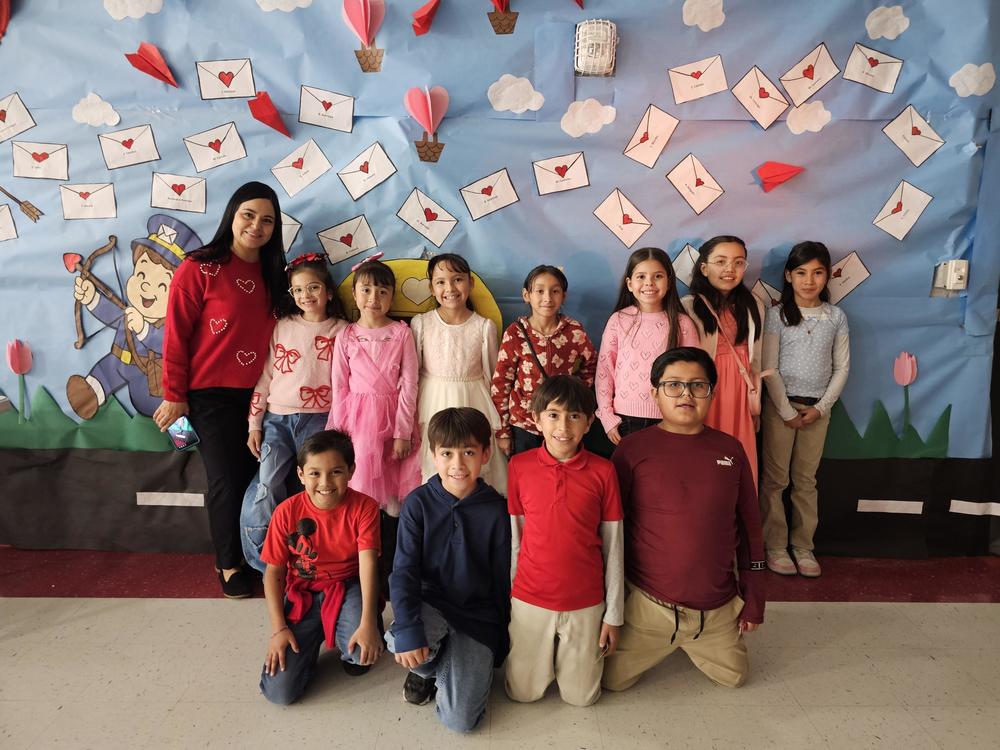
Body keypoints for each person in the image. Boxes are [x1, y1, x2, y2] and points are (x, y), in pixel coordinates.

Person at [604, 347, 766, 691]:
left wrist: (754, 599)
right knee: (611, 681)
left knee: (735, 678)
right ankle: (662, 640)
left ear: (712, 392)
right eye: (673, 385)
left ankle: (695, 641)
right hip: (649, 605)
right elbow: (612, 533)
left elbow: (750, 528)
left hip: (715, 608)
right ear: (655, 394)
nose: (686, 395)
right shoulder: (632, 450)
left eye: (697, 385)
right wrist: (611, 609)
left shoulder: (731, 450)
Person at [154, 181, 287, 599]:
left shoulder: (275, 276)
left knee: (257, 480)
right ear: (232, 214)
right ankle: (228, 562)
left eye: (267, 220)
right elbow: (176, 335)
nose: (256, 226)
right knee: (226, 480)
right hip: (208, 394)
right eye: (249, 214)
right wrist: (175, 394)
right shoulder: (198, 267)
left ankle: (258, 557)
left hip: (260, 397)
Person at [385, 407, 511, 733]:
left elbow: (502, 579)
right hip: (432, 607)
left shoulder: (497, 510)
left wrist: (502, 637)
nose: (457, 464)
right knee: (398, 637)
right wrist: (411, 630)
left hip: (476, 618)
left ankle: (444, 664)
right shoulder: (417, 504)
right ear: (433, 455)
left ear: (485, 454)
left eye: (468, 452)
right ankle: (426, 668)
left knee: (462, 721)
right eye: (447, 453)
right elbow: (404, 571)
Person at [505, 375, 624, 706]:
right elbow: (517, 537)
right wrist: (513, 597)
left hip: (585, 600)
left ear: (588, 423)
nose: (564, 426)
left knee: (582, 698)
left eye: (574, 416)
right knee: (522, 694)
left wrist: (613, 614)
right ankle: (542, 659)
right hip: (530, 598)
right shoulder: (518, 467)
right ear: (537, 419)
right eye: (554, 414)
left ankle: (568, 661)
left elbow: (614, 546)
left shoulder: (603, 472)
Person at [240, 252, 348, 573]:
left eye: (313, 288)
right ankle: (263, 562)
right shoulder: (283, 326)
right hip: (277, 418)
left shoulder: (343, 331)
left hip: (320, 420)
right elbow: (266, 376)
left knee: (313, 488)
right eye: (298, 290)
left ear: (328, 291)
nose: (305, 296)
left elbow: (345, 384)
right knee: (268, 483)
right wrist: (254, 423)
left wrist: (338, 425)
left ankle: (310, 556)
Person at [258, 430, 383, 705]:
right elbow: (274, 573)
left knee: (360, 654)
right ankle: (308, 647)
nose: (325, 482)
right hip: (303, 592)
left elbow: (368, 563)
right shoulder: (286, 512)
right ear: (301, 474)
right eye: (314, 473)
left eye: (336, 471)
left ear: (351, 471)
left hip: (347, 586)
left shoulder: (365, 507)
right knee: (280, 693)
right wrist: (279, 629)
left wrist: (367, 623)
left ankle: (360, 621)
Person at [326, 256, 420, 597]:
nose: (374, 298)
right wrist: (339, 435)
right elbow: (339, 386)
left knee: (394, 500)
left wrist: (402, 431)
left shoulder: (401, 333)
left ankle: (394, 572)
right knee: (362, 496)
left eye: (382, 291)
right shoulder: (346, 336)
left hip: (393, 419)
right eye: (366, 290)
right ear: (355, 293)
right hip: (357, 424)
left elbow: (409, 384)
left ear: (392, 296)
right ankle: (359, 570)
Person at [760, 242, 850, 578]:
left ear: (827, 276)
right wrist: (786, 411)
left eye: (817, 272)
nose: (809, 280)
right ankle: (775, 545)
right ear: (788, 275)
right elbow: (769, 368)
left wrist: (822, 408)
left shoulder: (835, 316)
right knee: (775, 480)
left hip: (818, 412)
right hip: (781, 409)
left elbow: (842, 368)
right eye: (801, 273)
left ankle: (803, 546)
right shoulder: (777, 315)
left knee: (805, 480)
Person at [410, 253, 506, 493]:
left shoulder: (484, 327)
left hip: (474, 401)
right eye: (441, 281)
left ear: (470, 283)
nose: (450, 288)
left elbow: (493, 376)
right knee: (434, 466)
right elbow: (412, 373)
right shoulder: (421, 323)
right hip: (431, 403)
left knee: (472, 466)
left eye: (457, 279)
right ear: (431, 287)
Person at [681, 236, 765, 485]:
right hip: (705, 391)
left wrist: (755, 404)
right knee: (704, 458)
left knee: (740, 459)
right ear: (704, 268)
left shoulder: (754, 306)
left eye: (738, 262)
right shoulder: (689, 306)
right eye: (721, 261)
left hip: (741, 394)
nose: (730, 269)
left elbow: (756, 357)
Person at [596, 247, 701, 444]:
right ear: (629, 283)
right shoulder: (618, 320)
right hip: (624, 419)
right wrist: (607, 415)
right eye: (641, 276)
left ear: (669, 282)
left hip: (671, 417)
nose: (649, 283)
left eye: (658, 276)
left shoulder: (682, 323)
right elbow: (604, 371)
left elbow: (695, 374)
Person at [491, 265, 597, 457]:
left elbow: (591, 366)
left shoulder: (575, 331)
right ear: (526, 295)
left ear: (563, 296)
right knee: (528, 478)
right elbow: (501, 384)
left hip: (563, 426)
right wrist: (503, 431)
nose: (547, 298)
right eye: (539, 291)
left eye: (555, 291)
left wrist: (575, 393)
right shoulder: (515, 333)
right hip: (525, 425)